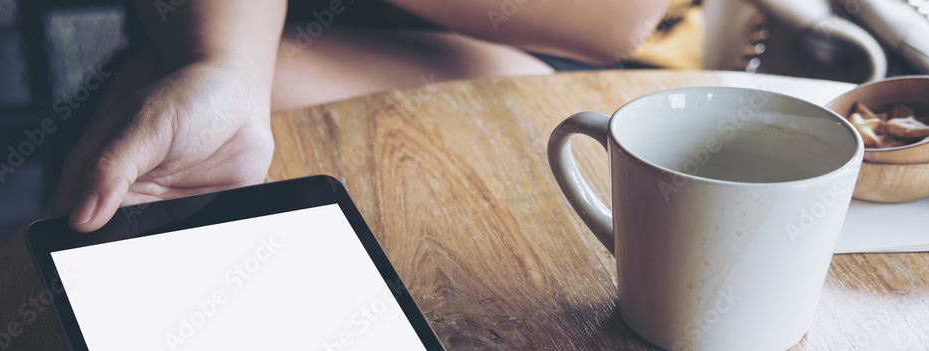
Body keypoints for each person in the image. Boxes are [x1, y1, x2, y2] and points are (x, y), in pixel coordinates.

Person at [51, 0, 673, 232]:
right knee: (171, 115)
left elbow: (618, 18)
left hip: (570, 55)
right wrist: (225, 67)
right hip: (273, 33)